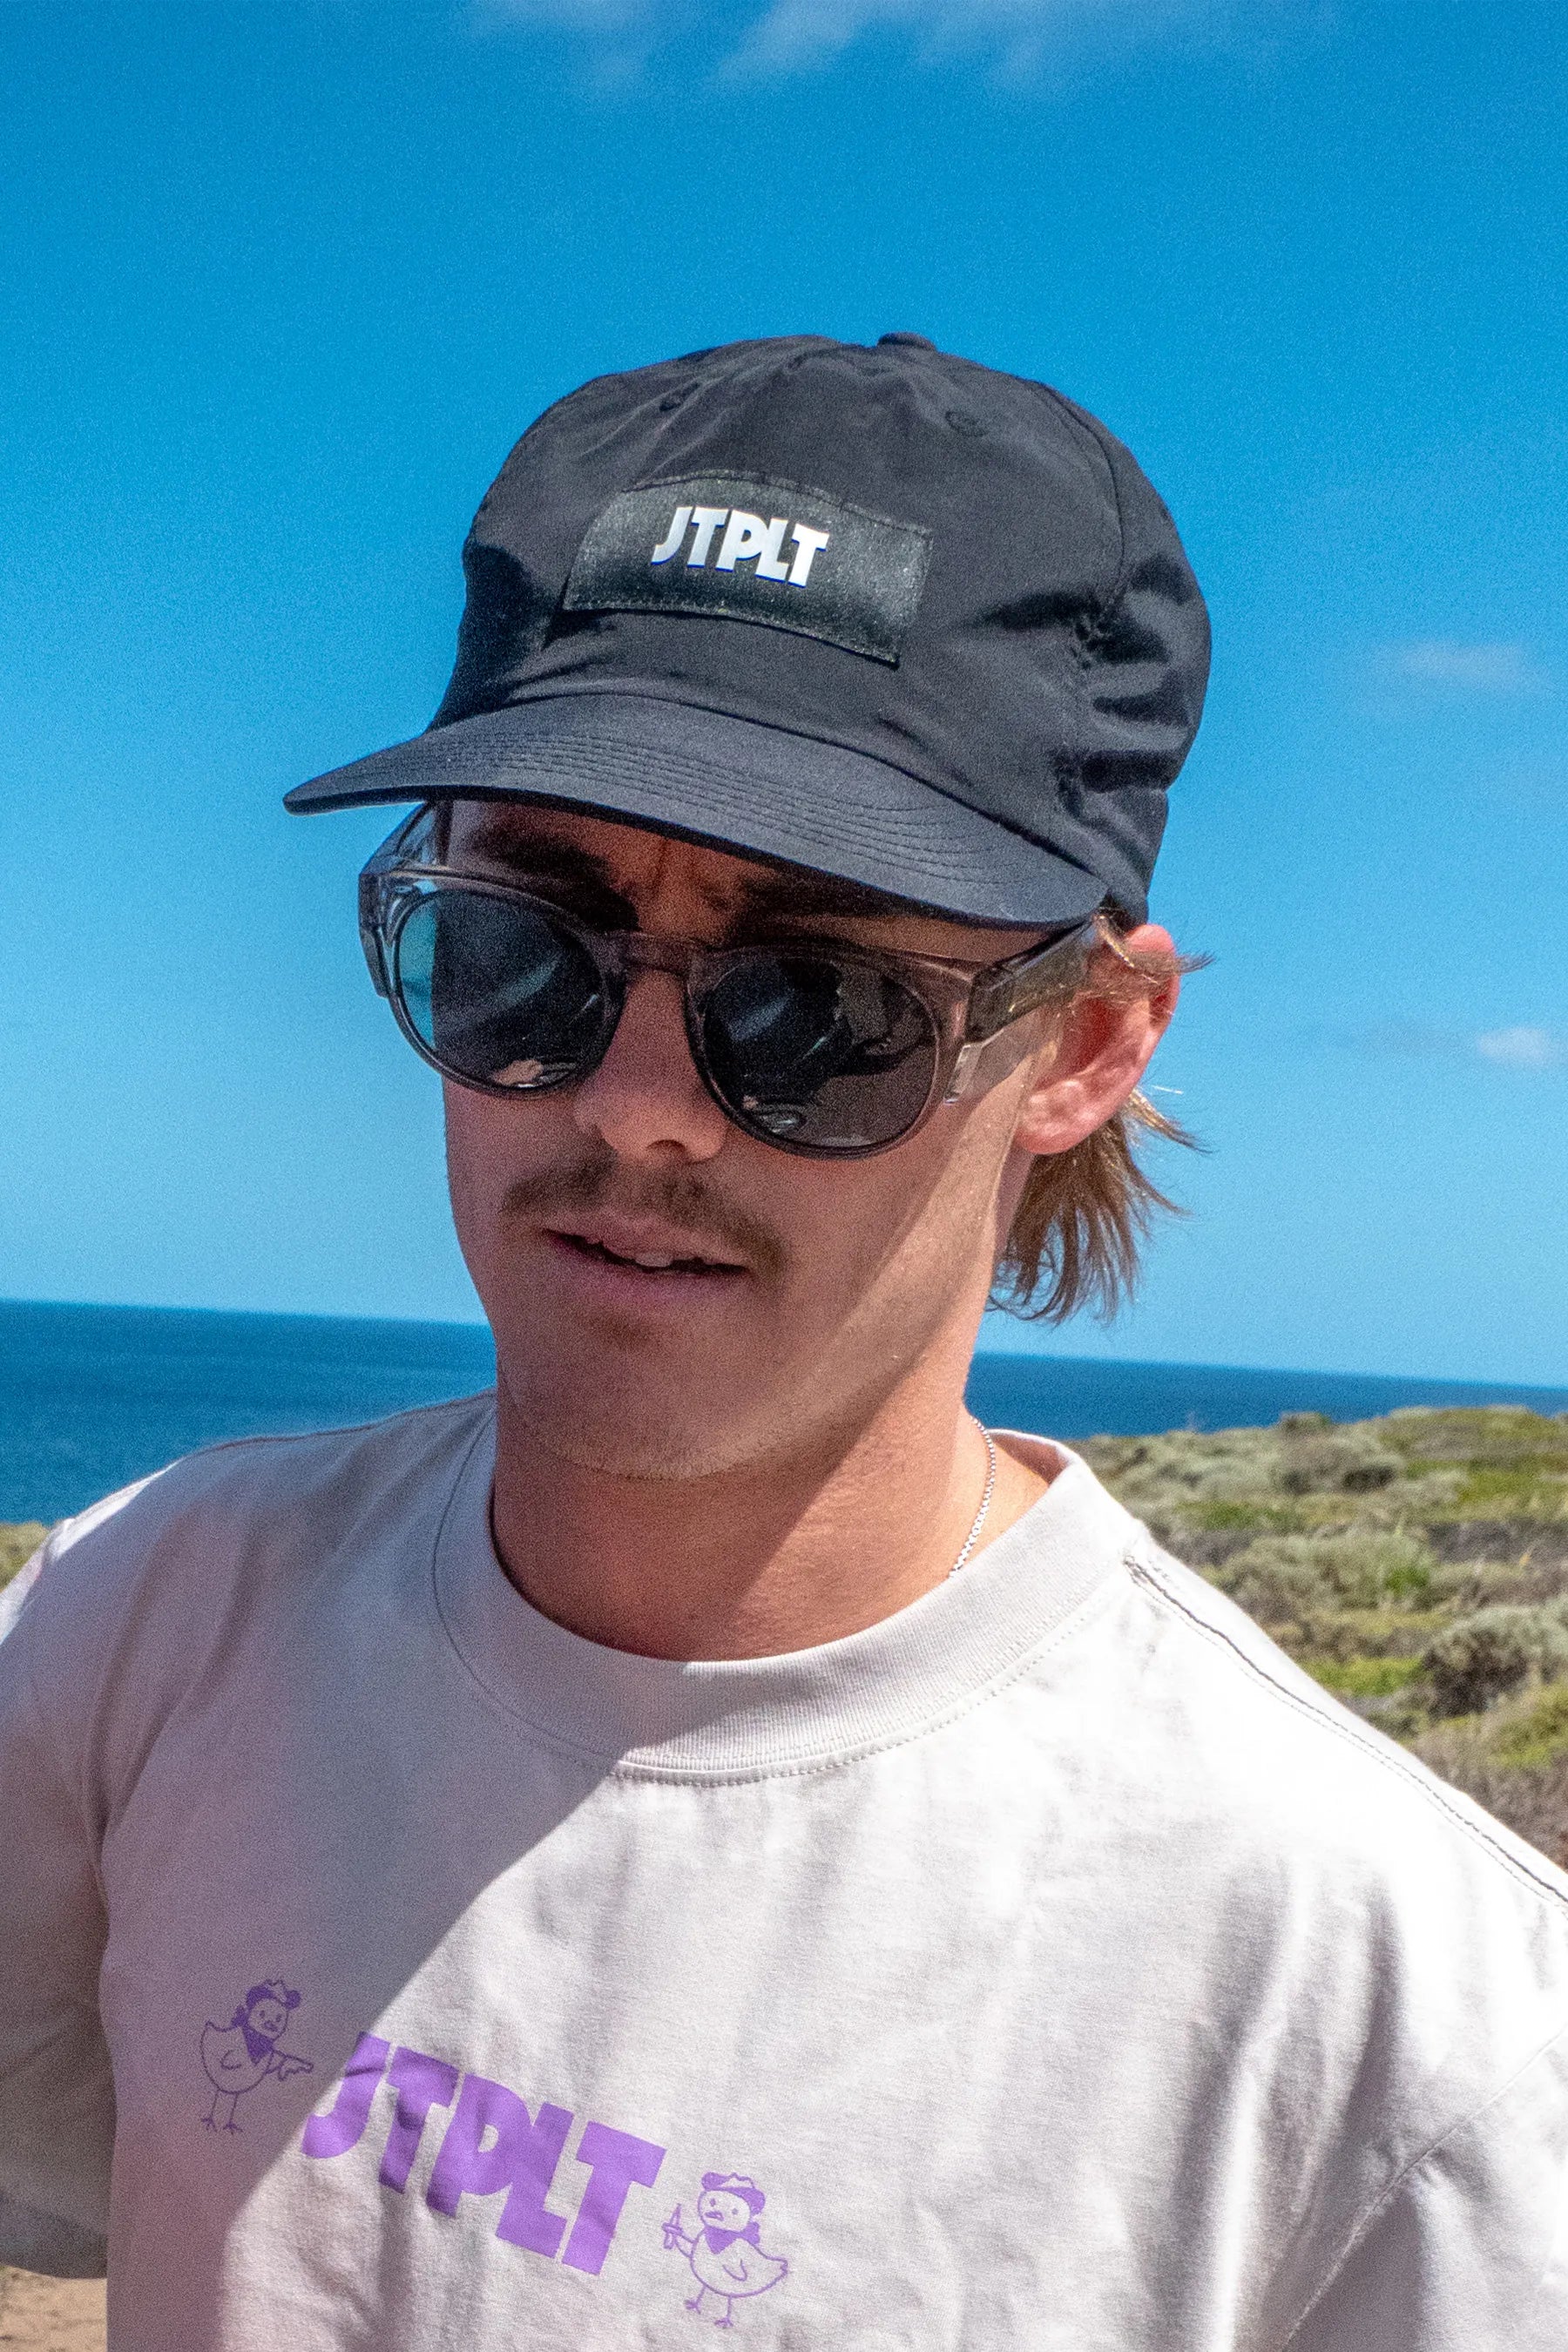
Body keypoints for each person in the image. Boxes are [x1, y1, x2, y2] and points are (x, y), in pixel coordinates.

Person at [1, 334, 1564, 2352]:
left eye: (816, 1005)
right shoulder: (142, 1620)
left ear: (1084, 1043)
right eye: (523, 951)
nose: (637, 1104)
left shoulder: (1404, 2040)